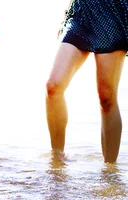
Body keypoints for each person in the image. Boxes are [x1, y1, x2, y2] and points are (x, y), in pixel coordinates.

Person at [46, 0, 127, 163]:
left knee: (106, 98)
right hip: (81, 14)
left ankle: (110, 171)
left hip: (114, 14)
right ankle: (57, 160)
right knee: (53, 86)